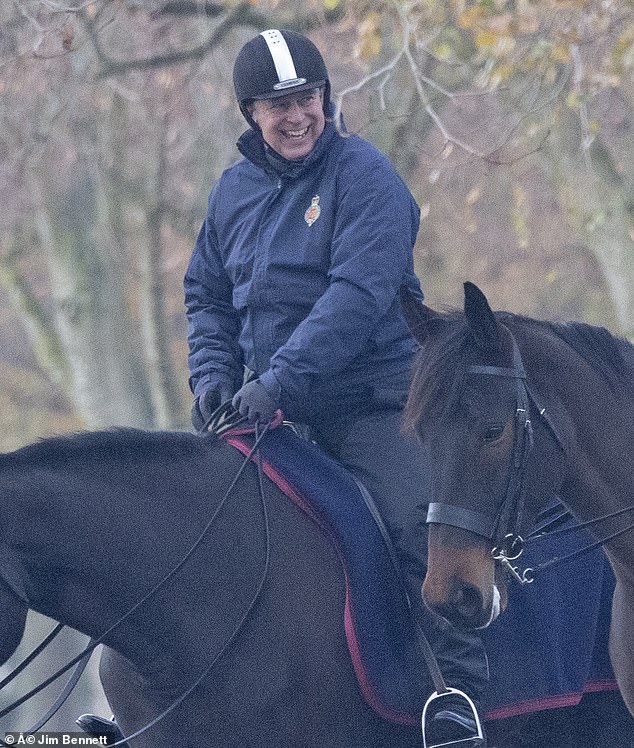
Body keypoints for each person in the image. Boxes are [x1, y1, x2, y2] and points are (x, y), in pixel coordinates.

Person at [185, 28, 489, 746]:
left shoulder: (367, 177)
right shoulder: (231, 193)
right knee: (194, 521)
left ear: (327, 98)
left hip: (378, 403)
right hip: (270, 408)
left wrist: (277, 383)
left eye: (308, 97)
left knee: (420, 524)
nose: (297, 116)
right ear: (249, 113)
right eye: (277, 104)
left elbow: (356, 297)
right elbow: (205, 294)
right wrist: (213, 377)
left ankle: (459, 696)